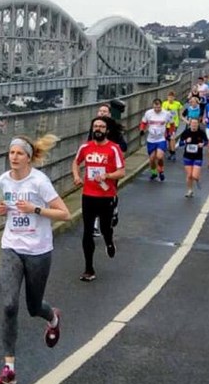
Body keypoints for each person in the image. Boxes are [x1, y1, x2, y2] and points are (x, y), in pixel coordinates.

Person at [0, 134, 71, 384]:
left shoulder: (40, 182)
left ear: (28, 157)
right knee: (8, 305)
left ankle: (53, 317)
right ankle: (9, 368)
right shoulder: (4, 180)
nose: (13, 157)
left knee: (33, 307)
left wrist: (35, 210)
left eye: (19, 154)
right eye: (11, 153)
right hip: (11, 247)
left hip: (38, 250)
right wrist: (2, 209)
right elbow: (9, 207)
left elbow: (65, 214)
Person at [72, 117, 126, 281]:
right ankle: (89, 268)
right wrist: (76, 176)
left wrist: (107, 175)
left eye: (101, 127)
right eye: (95, 126)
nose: (98, 129)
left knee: (105, 228)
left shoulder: (114, 149)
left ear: (107, 130)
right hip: (88, 194)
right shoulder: (85, 147)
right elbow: (76, 162)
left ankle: (109, 241)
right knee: (87, 231)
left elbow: (122, 172)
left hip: (106, 195)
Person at [87, 103, 127, 235]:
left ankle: (114, 209)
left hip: (110, 170)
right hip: (95, 167)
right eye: (100, 111)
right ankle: (94, 225)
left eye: (105, 111)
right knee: (94, 196)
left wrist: (110, 149)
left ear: (109, 114)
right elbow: (88, 144)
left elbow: (124, 146)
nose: (102, 113)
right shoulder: (94, 128)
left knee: (108, 194)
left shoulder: (114, 129)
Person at [139, 98, 174, 181]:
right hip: (151, 139)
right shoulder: (148, 113)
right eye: (155, 107)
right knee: (151, 159)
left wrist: (170, 133)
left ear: (161, 106)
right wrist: (141, 130)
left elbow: (172, 124)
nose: (157, 109)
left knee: (159, 156)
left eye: (158, 107)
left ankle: (161, 171)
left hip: (161, 138)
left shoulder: (166, 113)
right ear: (153, 106)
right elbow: (143, 122)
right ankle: (154, 172)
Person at [177, 118, 208, 197]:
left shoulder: (201, 132)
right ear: (190, 124)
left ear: (198, 124)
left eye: (195, 123)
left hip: (198, 156)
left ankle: (197, 178)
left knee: (194, 176)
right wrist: (185, 141)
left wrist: (203, 144)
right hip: (187, 156)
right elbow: (180, 143)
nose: (194, 125)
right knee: (189, 175)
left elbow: (206, 141)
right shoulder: (186, 132)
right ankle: (190, 190)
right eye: (192, 123)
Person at [162, 91, 183, 161]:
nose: (170, 98)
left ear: (174, 97)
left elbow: (180, 113)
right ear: (167, 97)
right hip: (165, 124)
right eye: (169, 97)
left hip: (173, 124)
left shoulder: (177, 104)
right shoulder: (164, 104)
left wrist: (183, 119)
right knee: (167, 138)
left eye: (172, 97)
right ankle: (169, 151)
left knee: (172, 138)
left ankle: (173, 153)